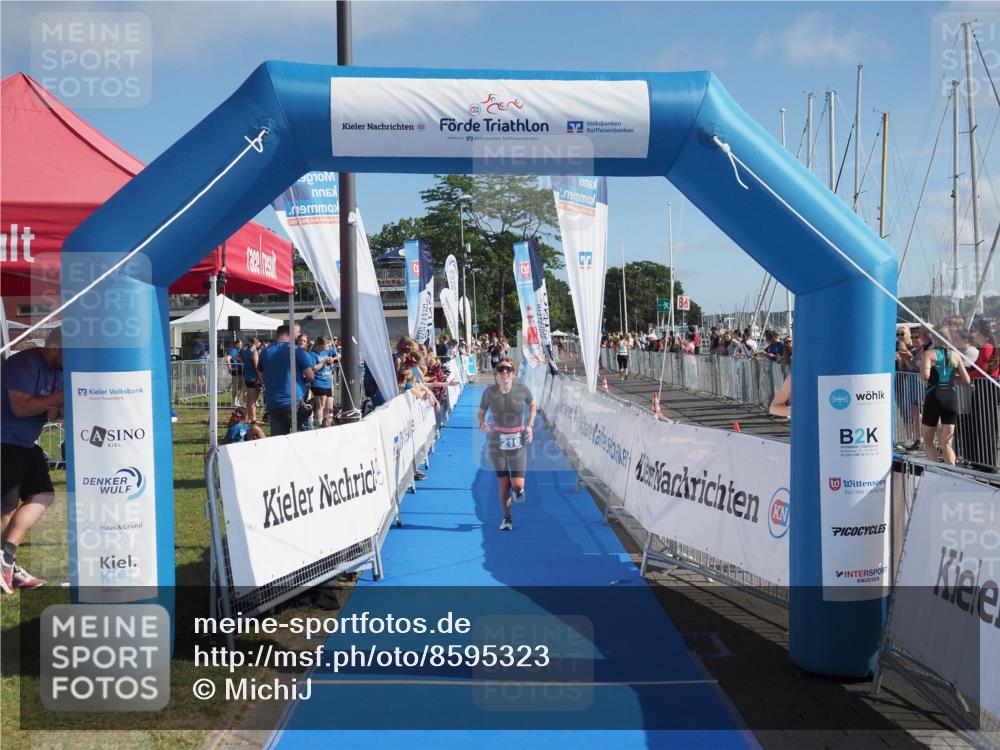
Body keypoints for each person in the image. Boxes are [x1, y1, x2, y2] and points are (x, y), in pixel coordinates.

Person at [1, 331, 64, 592]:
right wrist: (54, 401)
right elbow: (21, 408)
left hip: (26, 443)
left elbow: (54, 412)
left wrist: (50, 405)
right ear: (56, 348)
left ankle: (6, 561)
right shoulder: (24, 363)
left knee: (42, 495)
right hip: (4, 440)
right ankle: (6, 566)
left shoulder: (57, 371)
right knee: (5, 509)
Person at [476, 358, 537, 531]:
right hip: (497, 442)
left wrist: (530, 425)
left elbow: (533, 405)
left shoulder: (522, 390)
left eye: (508, 369)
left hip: (518, 441)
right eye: (501, 369)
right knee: (504, 484)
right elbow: (481, 413)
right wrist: (482, 423)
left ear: (513, 373)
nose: (504, 372)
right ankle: (507, 517)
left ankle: (518, 490)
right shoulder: (489, 392)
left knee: (517, 485)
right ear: (496, 373)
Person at [921, 328, 971, 465]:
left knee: (928, 440)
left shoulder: (929, 354)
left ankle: (935, 469)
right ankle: (952, 472)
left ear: (935, 339)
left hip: (934, 396)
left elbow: (925, 376)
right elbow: (966, 380)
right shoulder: (956, 356)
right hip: (950, 397)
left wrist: (931, 370)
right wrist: (952, 376)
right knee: (946, 442)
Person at [257, 324, 315, 436]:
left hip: (273, 402)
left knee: (279, 441)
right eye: (296, 333)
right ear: (290, 334)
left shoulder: (265, 351)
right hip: (293, 401)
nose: (297, 336)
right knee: (304, 438)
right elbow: (310, 375)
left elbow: (261, 375)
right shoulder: (295, 350)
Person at [309, 336, 339, 427]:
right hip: (318, 382)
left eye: (326, 347)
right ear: (318, 345)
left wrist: (332, 359)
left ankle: (326, 424)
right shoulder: (312, 354)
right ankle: (319, 424)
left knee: (329, 406)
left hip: (328, 382)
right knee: (321, 405)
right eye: (323, 347)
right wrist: (323, 362)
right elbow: (313, 368)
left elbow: (339, 355)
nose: (324, 349)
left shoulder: (328, 350)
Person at [240, 337, 262, 424]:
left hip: (247, 376)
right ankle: (253, 419)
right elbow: (256, 366)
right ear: (256, 343)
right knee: (253, 399)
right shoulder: (254, 352)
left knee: (249, 399)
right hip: (253, 377)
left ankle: (249, 418)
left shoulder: (246, 352)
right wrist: (261, 378)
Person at [225, 338, 244, 406]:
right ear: (235, 344)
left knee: (240, 387)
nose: (241, 345)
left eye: (241, 344)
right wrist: (230, 368)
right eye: (239, 344)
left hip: (240, 371)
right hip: (236, 371)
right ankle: (234, 401)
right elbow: (227, 359)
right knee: (236, 386)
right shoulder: (233, 350)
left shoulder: (239, 351)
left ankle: (236, 401)